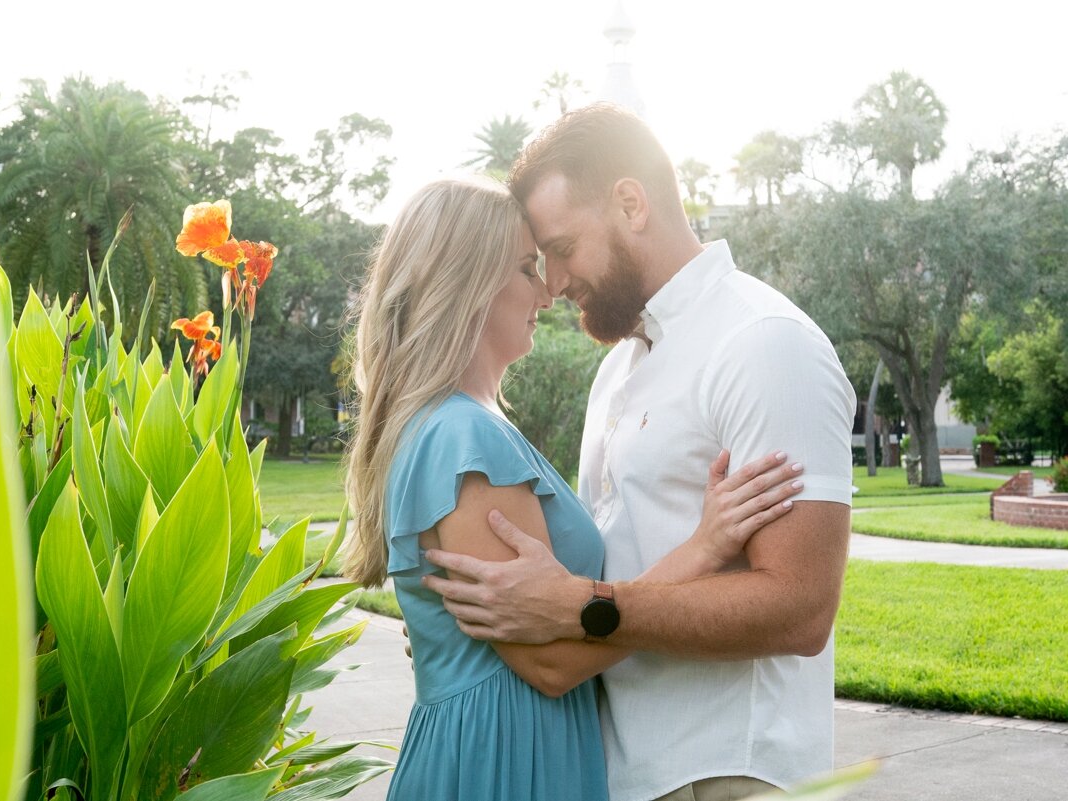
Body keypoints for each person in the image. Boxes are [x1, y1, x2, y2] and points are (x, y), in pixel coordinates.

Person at [422, 104, 857, 801]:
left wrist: (584, 607)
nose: (555, 283)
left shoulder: (765, 343)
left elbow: (801, 608)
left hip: (729, 772)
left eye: (562, 249)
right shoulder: (618, 368)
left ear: (630, 202)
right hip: (621, 770)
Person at [341, 175, 807, 801]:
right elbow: (551, 663)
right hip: (505, 759)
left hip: (512, 743)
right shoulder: (462, 440)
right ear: (468, 284)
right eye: (527, 268)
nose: (548, 290)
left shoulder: (470, 427)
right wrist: (705, 546)